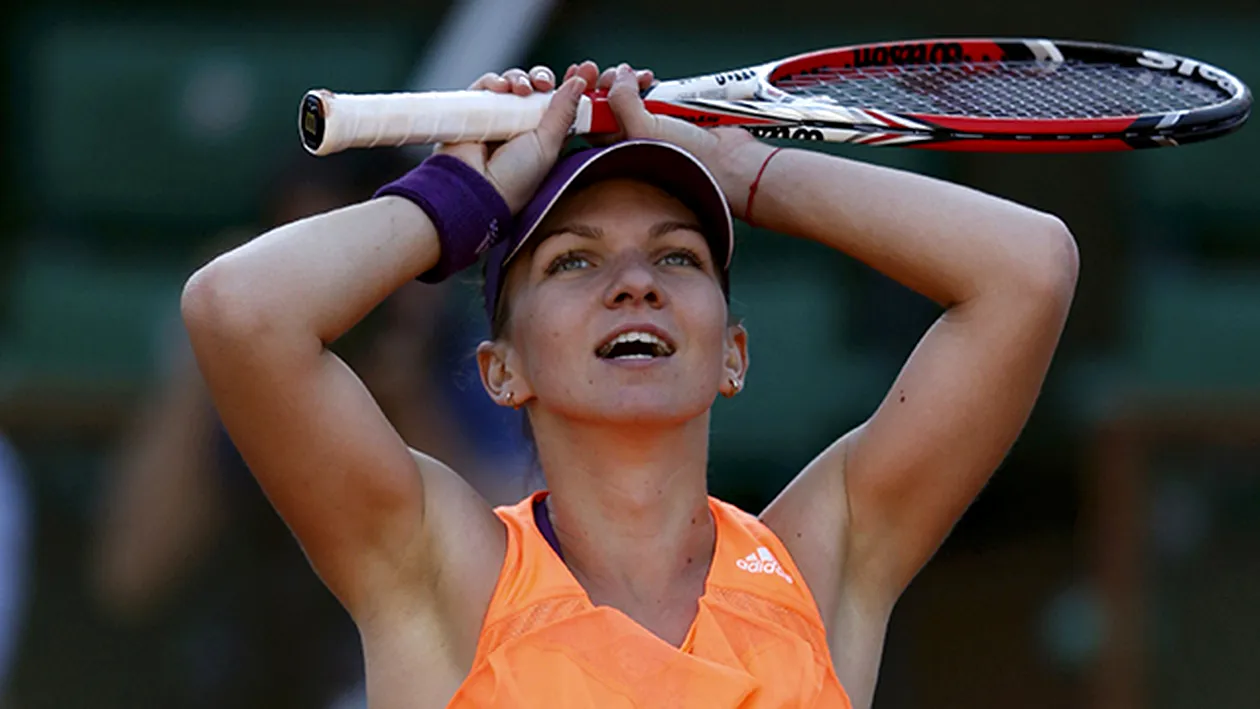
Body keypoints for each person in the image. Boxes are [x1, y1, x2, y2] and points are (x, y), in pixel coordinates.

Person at [181, 61, 1078, 708]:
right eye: (574, 261)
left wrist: (743, 171)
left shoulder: (819, 564)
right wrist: (459, 193)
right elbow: (238, 311)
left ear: (733, 353)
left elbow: (1031, 268)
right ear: (503, 369)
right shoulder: (438, 569)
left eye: (678, 254)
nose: (635, 282)